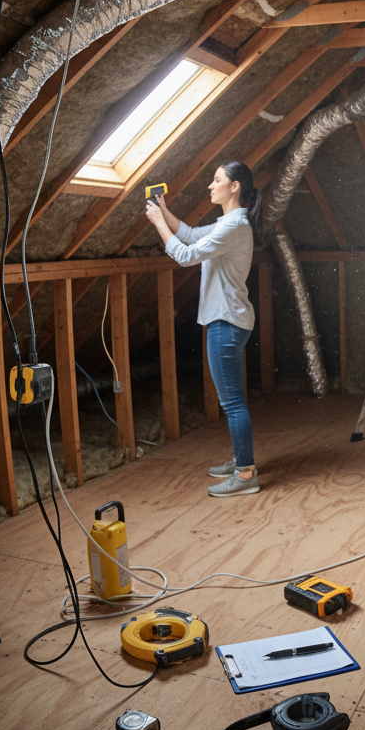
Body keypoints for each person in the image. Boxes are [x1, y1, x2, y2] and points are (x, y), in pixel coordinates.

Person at [146, 161, 264, 498]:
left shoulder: (234, 227)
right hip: (229, 320)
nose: (210, 186)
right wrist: (165, 212)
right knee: (234, 401)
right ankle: (243, 460)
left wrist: (157, 224)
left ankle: (245, 475)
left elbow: (185, 255)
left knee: (233, 404)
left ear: (235, 186)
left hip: (225, 323)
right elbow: (191, 236)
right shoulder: (229, 223)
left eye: (217, 180)